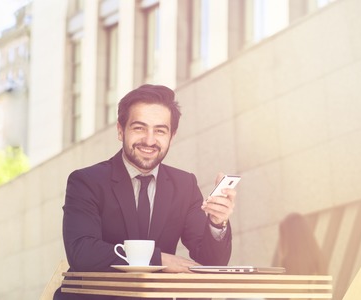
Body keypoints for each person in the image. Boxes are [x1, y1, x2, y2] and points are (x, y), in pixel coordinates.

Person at [54, 84, 236, 300]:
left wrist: (217, 223)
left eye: (160, 130)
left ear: (172, 135)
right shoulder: (86, 181)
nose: (149, 140)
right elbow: (82, 252)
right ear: (121, 130)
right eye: (139, 128)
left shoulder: (184, 184)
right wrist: (158, 260)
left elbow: (210, 263)